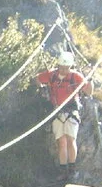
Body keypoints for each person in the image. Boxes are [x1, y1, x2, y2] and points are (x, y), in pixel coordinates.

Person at [36, 50, 93, 178]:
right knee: (61, 142)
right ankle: (63, 171)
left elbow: (89, 92)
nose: (63, 70)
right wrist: (42, 89)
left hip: (71, 111)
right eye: (61, 67)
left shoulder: (76, 76)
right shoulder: (52, 75)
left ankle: (72, 169)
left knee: (71, 139)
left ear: (70, 66)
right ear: (58, 65)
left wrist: (90, 80)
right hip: (57, 111)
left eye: (66, 68)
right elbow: (38, 78)